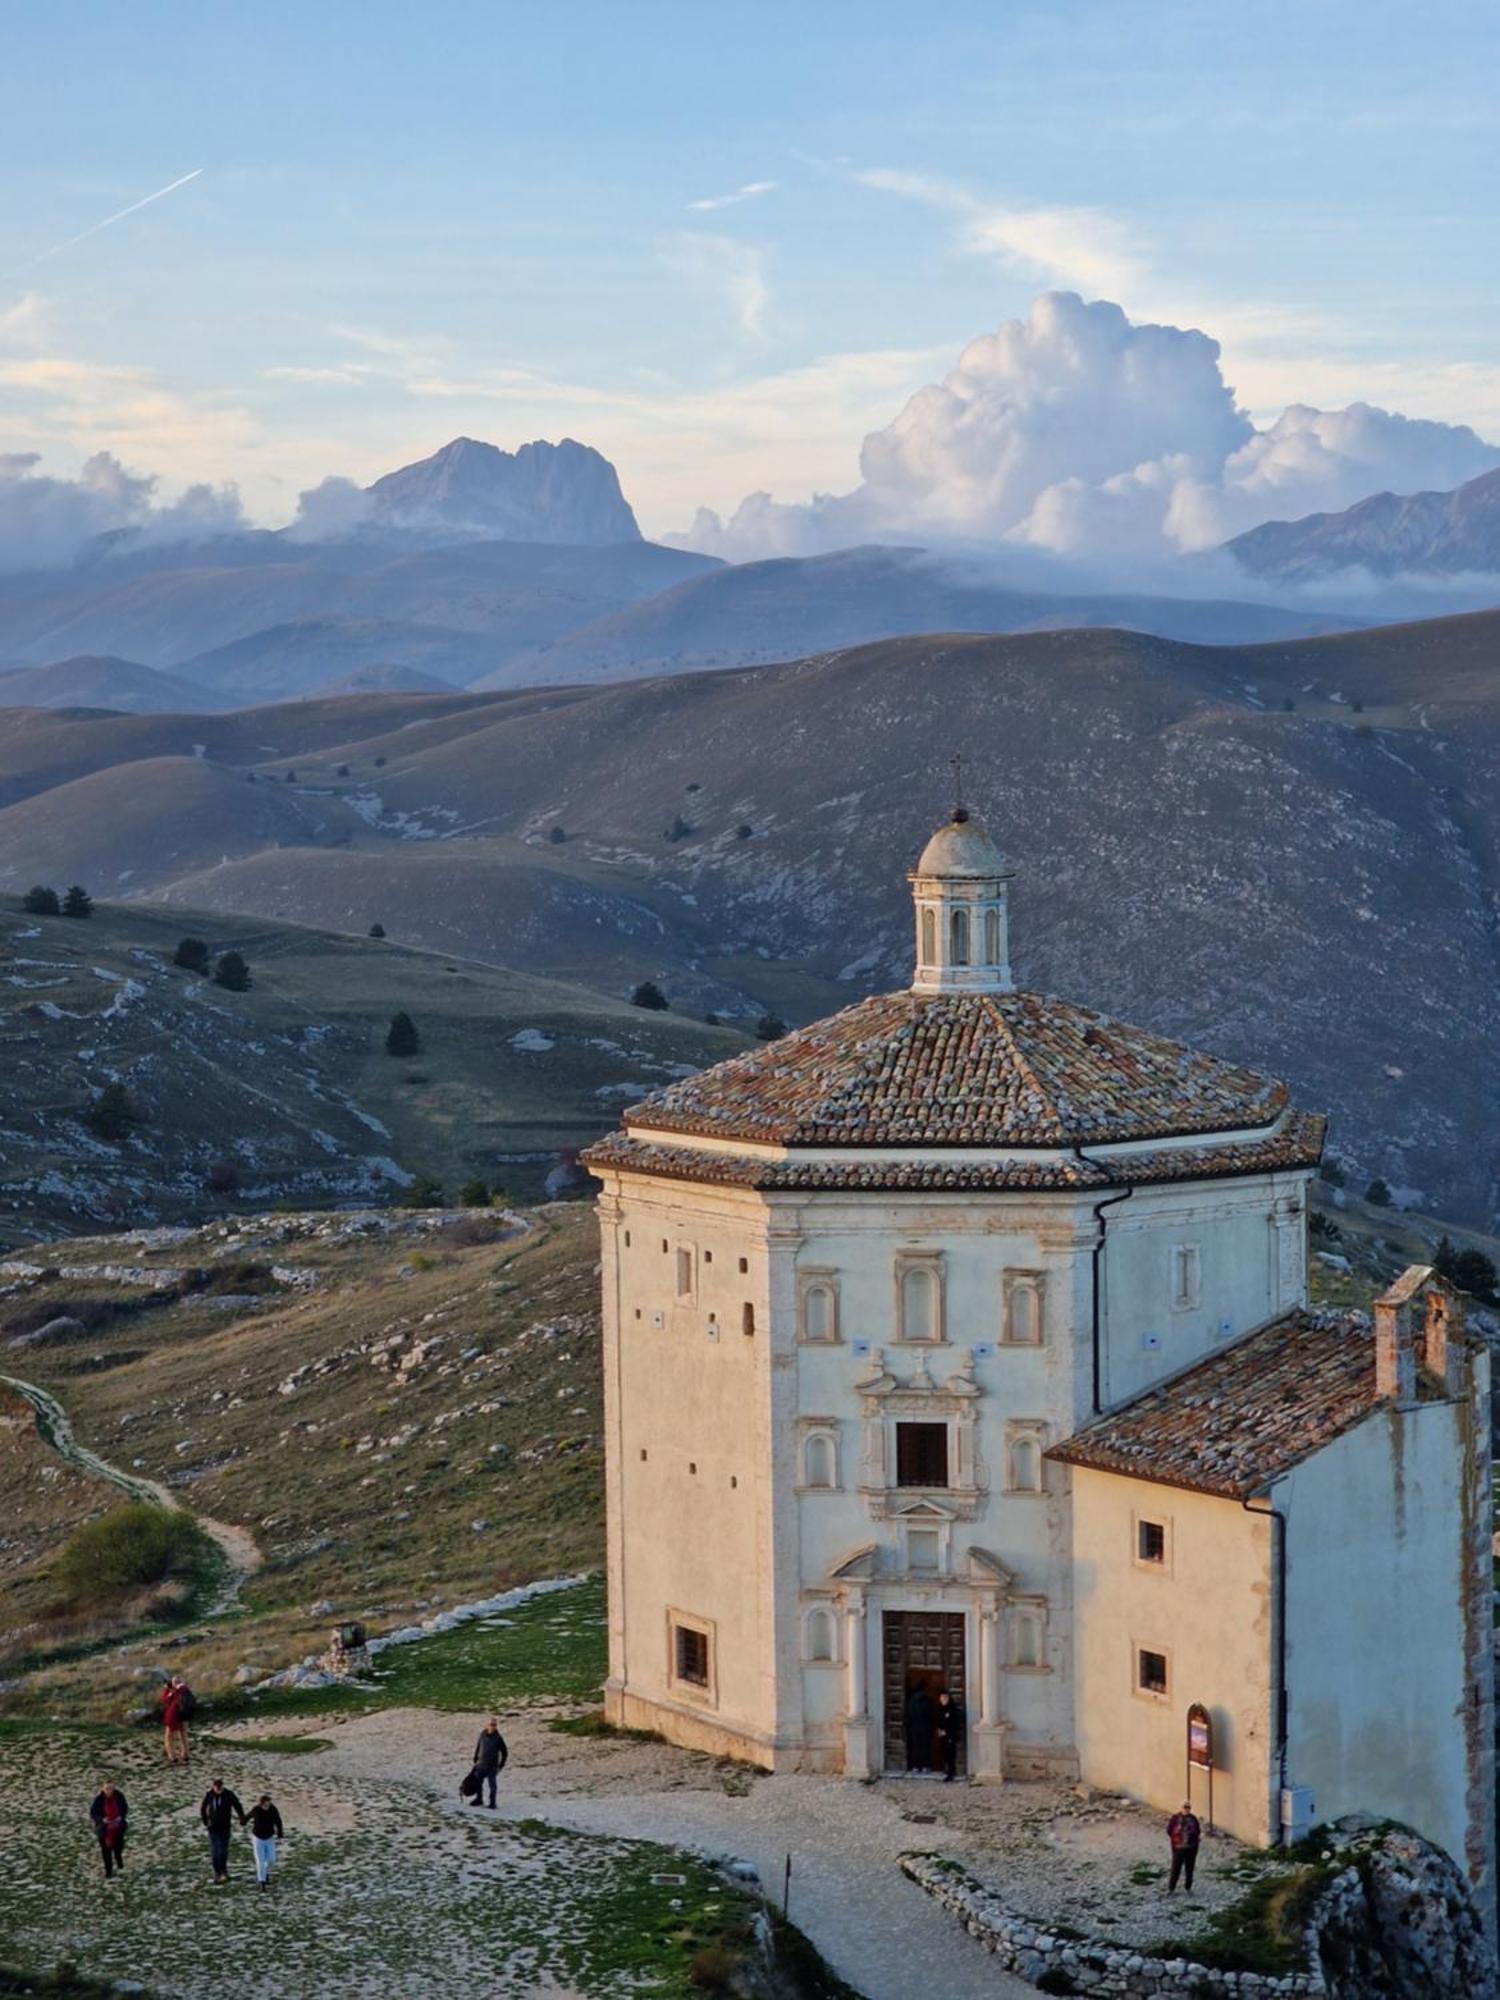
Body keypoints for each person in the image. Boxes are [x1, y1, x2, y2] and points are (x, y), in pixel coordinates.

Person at [200, 1777, 247, 1883]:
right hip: (213, 1827)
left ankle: (224, 1871)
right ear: (213, 1786)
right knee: (215, 1850)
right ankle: (217, 1872)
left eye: (220, 1787)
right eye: (216, 1787)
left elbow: (237, 1805)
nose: (218, 1789)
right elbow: (203, 1808)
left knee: (223, 1850)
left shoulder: (228, 1794)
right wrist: (205, 1821)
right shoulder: (209, 1795)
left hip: (225, 1826)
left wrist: (242, 1818)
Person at [89, 1781, 128, 1880]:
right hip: (104, 1829)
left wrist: (121, 1817)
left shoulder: (119, 1797)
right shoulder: (99, 1800)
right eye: (107, 1788)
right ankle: (109, 1871)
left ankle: (119, 1860)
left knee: (118, 1847)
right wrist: (102, 1819)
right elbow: (93, 1813)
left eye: (111, 1788)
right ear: (102, 1789)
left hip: (118, 1827)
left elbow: (125, 1808)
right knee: (106, 1851)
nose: (109, 1791)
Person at [248, 1793, 284, 1891]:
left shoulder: (273, 1810)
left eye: (269, 1804)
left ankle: (265, 1873)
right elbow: (247, 1817)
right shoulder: (256, 1810)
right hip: (258, 1839)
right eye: (265, 1805)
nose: (267, 1806)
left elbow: (278, 1821)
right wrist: (242, 1821)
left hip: (269, 1838)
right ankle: (262, 1883)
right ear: (261, 1804)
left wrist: (280, 1835)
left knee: (271, 1859)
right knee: (260, 1861)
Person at [471, 1717, 509, 1808]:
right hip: (481, 1764)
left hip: (492, 1766)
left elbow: (505, 1753)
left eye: (494, 1725)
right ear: (486, 1726)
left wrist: (501, 1765)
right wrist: (475, 1758)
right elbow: (478, 1746)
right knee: (478, 1782)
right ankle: (479, 1799)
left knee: (492, 1785)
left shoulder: (498, 1738)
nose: (493, 1727)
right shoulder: (482, 1735)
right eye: (491, 1725)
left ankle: (492, 1802)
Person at [1167, 1801, 1202, 1893]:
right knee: (1176, 1868)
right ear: (1181, 1808)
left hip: (1191, 1847)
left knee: (1189, 1868)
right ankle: (1171, 1888)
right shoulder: (1175, 1818)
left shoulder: (1193, 1818)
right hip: (1178, 1847)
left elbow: (1197, 1831)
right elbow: (1169, 1830)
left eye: (1188, 1807)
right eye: (1185, 1807)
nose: (1186, 1809)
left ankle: (1188, 1887)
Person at [904, 1682, 935, 1774]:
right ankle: (926, 1766)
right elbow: (931, 1715)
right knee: (926, 1747)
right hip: (925, 1728)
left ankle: (915, 1766)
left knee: (915, 1748)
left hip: (914, 1728)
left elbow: (907, 1715)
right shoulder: (928, 1701)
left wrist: (908, 1726)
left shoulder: (910, 1701)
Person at [935, 1687, 965, 1782]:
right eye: (942, 1698)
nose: (943, 1700)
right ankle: (947, 1770)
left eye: (945, 1698)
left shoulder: (953, 1710)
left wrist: (947, 1732)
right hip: (942, 1736)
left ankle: (951, 1773)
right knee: (944, 1753)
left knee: (950, 1755)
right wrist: (939, 1730)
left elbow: (955, 1724)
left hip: (950, 1736)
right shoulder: (939, 1709)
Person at [159, 1674, 191, 1765]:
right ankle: (185, 1754)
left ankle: (172, 1756)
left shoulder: (174, 1691)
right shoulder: (185, 1690)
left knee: (169, 1737)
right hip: (184, 1716)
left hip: (173, 1716)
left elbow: (164, 1699)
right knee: (183, 1735)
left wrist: (167, 1689)